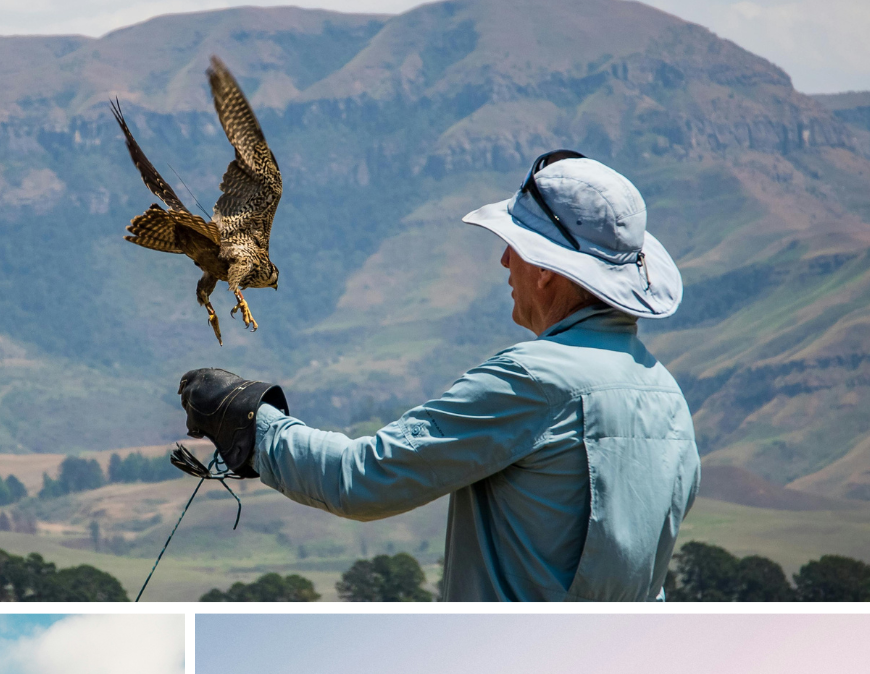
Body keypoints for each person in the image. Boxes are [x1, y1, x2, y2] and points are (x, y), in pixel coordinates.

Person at [177, 151, 701, 601]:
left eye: (515, 247)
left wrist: (253, 424)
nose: (503, 260)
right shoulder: (668, 397)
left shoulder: (534, 380)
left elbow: (364, 481)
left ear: (545, 271)